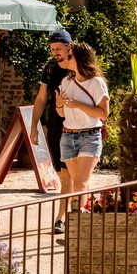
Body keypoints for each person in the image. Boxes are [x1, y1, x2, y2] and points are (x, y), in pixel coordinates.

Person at [29, 29, 73, 233]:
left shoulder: (79, 67)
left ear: (69, 46)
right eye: (52, 49)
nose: (55, 52)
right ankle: (74, 208)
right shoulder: (50, 68)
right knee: (61, 172)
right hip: (55, 124)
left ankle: (62, 217)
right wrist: (34, 125)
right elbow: (40, 98)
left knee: (69, 174)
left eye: (58, 48)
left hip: (77, 126)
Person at [56, 42, 109, 209]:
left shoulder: (96, 83)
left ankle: (78, 222)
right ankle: (82, 218)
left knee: (80, 184)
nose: (66, 59)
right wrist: (58, 104)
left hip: (89, 136)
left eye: (70, 56)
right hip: (68, 136)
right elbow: (62, 114)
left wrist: (79, 105)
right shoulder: (66, 82)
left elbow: (103, 113)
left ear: (80, 59)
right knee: (77, 186)